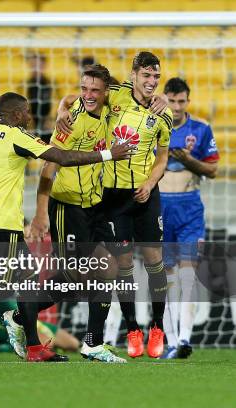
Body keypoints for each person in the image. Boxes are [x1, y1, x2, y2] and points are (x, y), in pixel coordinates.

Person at [0, 91, 133, 362]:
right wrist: (108, 154)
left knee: (6, 286)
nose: (29, 116)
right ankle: (29, 345)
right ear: (14, 115)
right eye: (26, 112)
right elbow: (62, 157)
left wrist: (62, 112)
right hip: (3, 220)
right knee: (22, 282)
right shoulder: (15, 135)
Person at [56, 51, 173, 359]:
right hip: (112, 195)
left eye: (155, 77)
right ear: (133, 75)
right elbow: (76, 97)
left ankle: (157, 327)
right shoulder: (116, 95)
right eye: (146, 76)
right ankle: (133, 328)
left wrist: (150, 183)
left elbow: (162, 157)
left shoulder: (164, 112)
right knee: (121, 264)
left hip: (145, 193)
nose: (151, 82)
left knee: (154, 259)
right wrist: (59, 110)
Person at [30, 65, 126, 363]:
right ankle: (23, 312)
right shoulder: (71, 123)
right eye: (83, 89)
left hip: (93, 206)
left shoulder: (110, 109)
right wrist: (40, 213)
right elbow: (49, 166)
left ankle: (93, 344)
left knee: (108, 269)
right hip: (66, 206)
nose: (87, 95)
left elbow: (133, 94)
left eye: (95, 90)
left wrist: (64, 100)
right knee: (78, 276)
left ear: (106, 92)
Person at [160, 78, 219, 359]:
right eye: (171, 101)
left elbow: (213, 170)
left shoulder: (201, 129)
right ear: (165, 99)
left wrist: (187, 160)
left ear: (188, 101)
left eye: (181, 101)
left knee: (188, 275)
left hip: (189, 208)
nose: (176, 107)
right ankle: (172, 341)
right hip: (159, 208)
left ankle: (184, 339)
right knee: (167, 278)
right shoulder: (153, 126)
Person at [0, 221, 79, 354]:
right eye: (25, 236)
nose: (29, 240)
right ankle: (1, 346)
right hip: (0, 320)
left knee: (73, 344)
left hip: (25, 315)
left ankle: (7, 343)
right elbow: (4, 303)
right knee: (45, 343)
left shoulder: (23, 260)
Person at [26, 53, 52, 143]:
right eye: (33, 65)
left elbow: (58, 102)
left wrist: (51, 119)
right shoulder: (25, 84)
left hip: (47, 124)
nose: (35, 68)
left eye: (38, 65)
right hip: (29, 124)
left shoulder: (51, 84)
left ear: (44, 66)